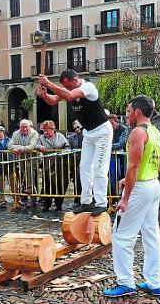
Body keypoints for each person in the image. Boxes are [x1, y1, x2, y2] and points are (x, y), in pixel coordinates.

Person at [103, 95, 160, 298]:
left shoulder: (138, 132)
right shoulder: (154, 131)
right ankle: (154, 281)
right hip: (153, 184)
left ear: (137, 111)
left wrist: (125, 197)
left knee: (121, 236)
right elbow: (148, 163)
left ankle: (126, 282)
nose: (127, 115)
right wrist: (127, 180)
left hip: (140, 188)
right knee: (151, 235)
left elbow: (134, 166)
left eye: (129, 111)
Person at [38, 69, 113, 216]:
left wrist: (48, 83)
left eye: (69, 86)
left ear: (76, 79)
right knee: (84, 167)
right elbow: (53, 100)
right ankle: (86, 202)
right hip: (88, 133)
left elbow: (69, 95)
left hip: (102, 131)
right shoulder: (68, 90)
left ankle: (101, 203)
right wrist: (44, 94)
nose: (68, 89)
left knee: (99, 168)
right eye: (65, 87)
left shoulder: (88, 87)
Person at [35, 120, 70, 212]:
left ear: (53, 129)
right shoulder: (42, 138)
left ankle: (59, 204)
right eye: (44, 130)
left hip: (60, 164)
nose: (45, 133)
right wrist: (40, 147)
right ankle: (47, 204)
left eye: (47, 130)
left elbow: (67, 146)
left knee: (61, 184)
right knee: (47, 184)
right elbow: (36, 145)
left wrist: (62, 152)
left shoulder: (60, 136)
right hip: (48, 164)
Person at [8, 119, 39, 208]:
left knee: (33, 177)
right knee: (24, 176)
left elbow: (31, 146)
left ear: (29, 127)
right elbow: (9, 145)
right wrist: (16, 148)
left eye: (26, 127)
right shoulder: (15, 134)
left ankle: (33, 199)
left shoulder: (34, 133)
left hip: (33, 158)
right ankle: (26, 196)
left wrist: (19, 148)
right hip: (22, 159)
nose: (24, 129)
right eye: (22, 127)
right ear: (20, 127)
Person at [68, 120, 83, 206]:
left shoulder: (85, 135)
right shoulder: (71, 138)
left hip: (85, 161)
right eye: (75, 128)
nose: (77, 129)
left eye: (78, 127)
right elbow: (69, 148)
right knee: (76, 181)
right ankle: (77, 199)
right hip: (75, 162)